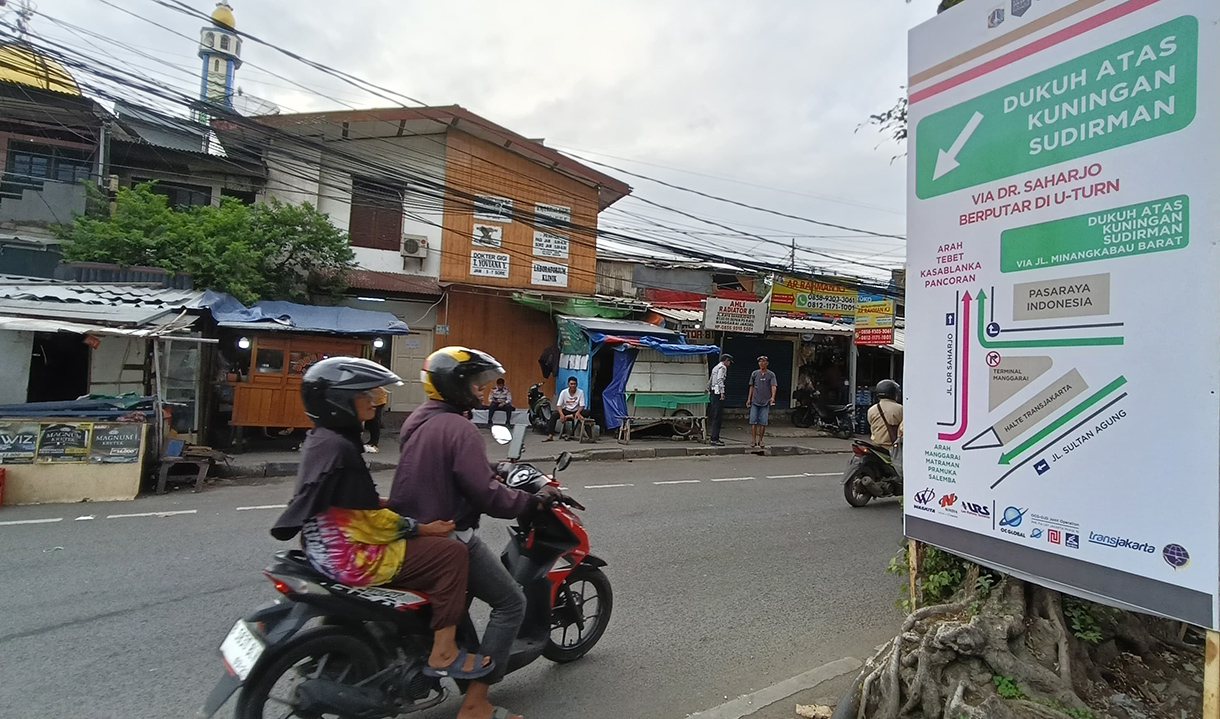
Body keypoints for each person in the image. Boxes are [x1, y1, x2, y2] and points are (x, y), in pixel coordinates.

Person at [271, 357, 493, 681]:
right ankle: (443, 649)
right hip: (351, 555)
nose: (376, 400)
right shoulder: (343, 449)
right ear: (339, 401)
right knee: (452, 554)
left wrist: (389, 503)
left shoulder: (323, 440)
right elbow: (370, 522)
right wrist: (422, 528)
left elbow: (344, 501)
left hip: (320, 548)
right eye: (365, 394)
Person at [389, 347, 562, 719]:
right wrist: (531, 503)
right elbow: (486, 496)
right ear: (455, 385)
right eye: (474, 382)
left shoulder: (417, 420)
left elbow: (448, 468)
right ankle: (476, 702)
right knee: (511, 602)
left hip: (413, 531)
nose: (482, 390)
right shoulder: (461, 427)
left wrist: (493, 467)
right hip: (451, 536)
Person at [747, 355, 778, 449]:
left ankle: (761, 440)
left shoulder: (771, 374)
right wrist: (749, 399)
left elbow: (773, 386)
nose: (761, 363)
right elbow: (751, 386)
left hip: (765, 402)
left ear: (767, 363)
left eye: (763, 361)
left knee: (763, 422)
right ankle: (753, 440)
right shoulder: (755, 374)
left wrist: (772, 397)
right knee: (753, 421)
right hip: (755, 400)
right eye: (760, 362)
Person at [545, 376, 586, 442]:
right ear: (568, 384)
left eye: (574, 384)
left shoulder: (580, 392)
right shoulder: (564, 392)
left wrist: (578, 412)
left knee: (587, 412)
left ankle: (569, 416)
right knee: (554, 415)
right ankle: (550, 435)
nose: (573, 386)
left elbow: (582, 406)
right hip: (566, 410)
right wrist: (561, 415)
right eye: (571, 384)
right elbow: (559, 405)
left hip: (576, 411)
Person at [868, 379, 904, 449]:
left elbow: (871, 425)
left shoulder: (871, 409)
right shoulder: (900, 409)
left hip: (876, 446)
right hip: (893, 448)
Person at [707, 353, 732, 446]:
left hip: (713, 392)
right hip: (717, 393)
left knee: (714, 415)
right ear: (726, 360)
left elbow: (710, 380)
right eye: (729, 361)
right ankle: (714, 438)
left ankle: (715, 437)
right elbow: (720, 380)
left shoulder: (715, 367)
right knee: (717, 417)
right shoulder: (723, 368)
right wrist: (722, 392)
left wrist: (707, 389)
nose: (729, 364)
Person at [363, 384, 389, 453]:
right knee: (371, 420)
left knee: (374, 420)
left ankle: (374, 442)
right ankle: (372, 440)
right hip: (373, 398)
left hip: (377, 400)